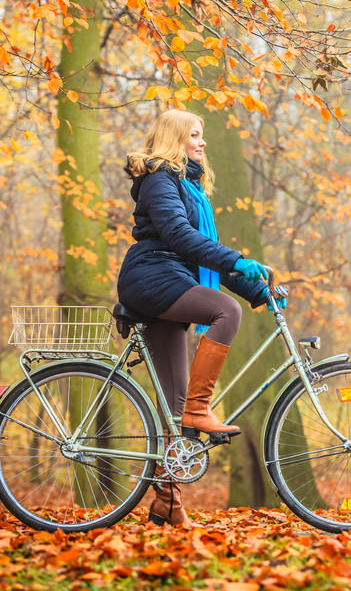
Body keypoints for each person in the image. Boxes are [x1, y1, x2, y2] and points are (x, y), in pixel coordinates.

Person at [117, 108, 273, 527]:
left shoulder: (187, 185)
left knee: (173, 405)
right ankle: (200, 410)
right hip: (152, 276)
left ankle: (168, 501)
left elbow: (203, 252)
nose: (202, 143)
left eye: (201, 136)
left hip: (169, 277)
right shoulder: (159, 180)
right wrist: (240, 260)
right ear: (175, 138)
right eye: (195, 135)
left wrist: (260, 290)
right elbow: (180, 238)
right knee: (225, 310)